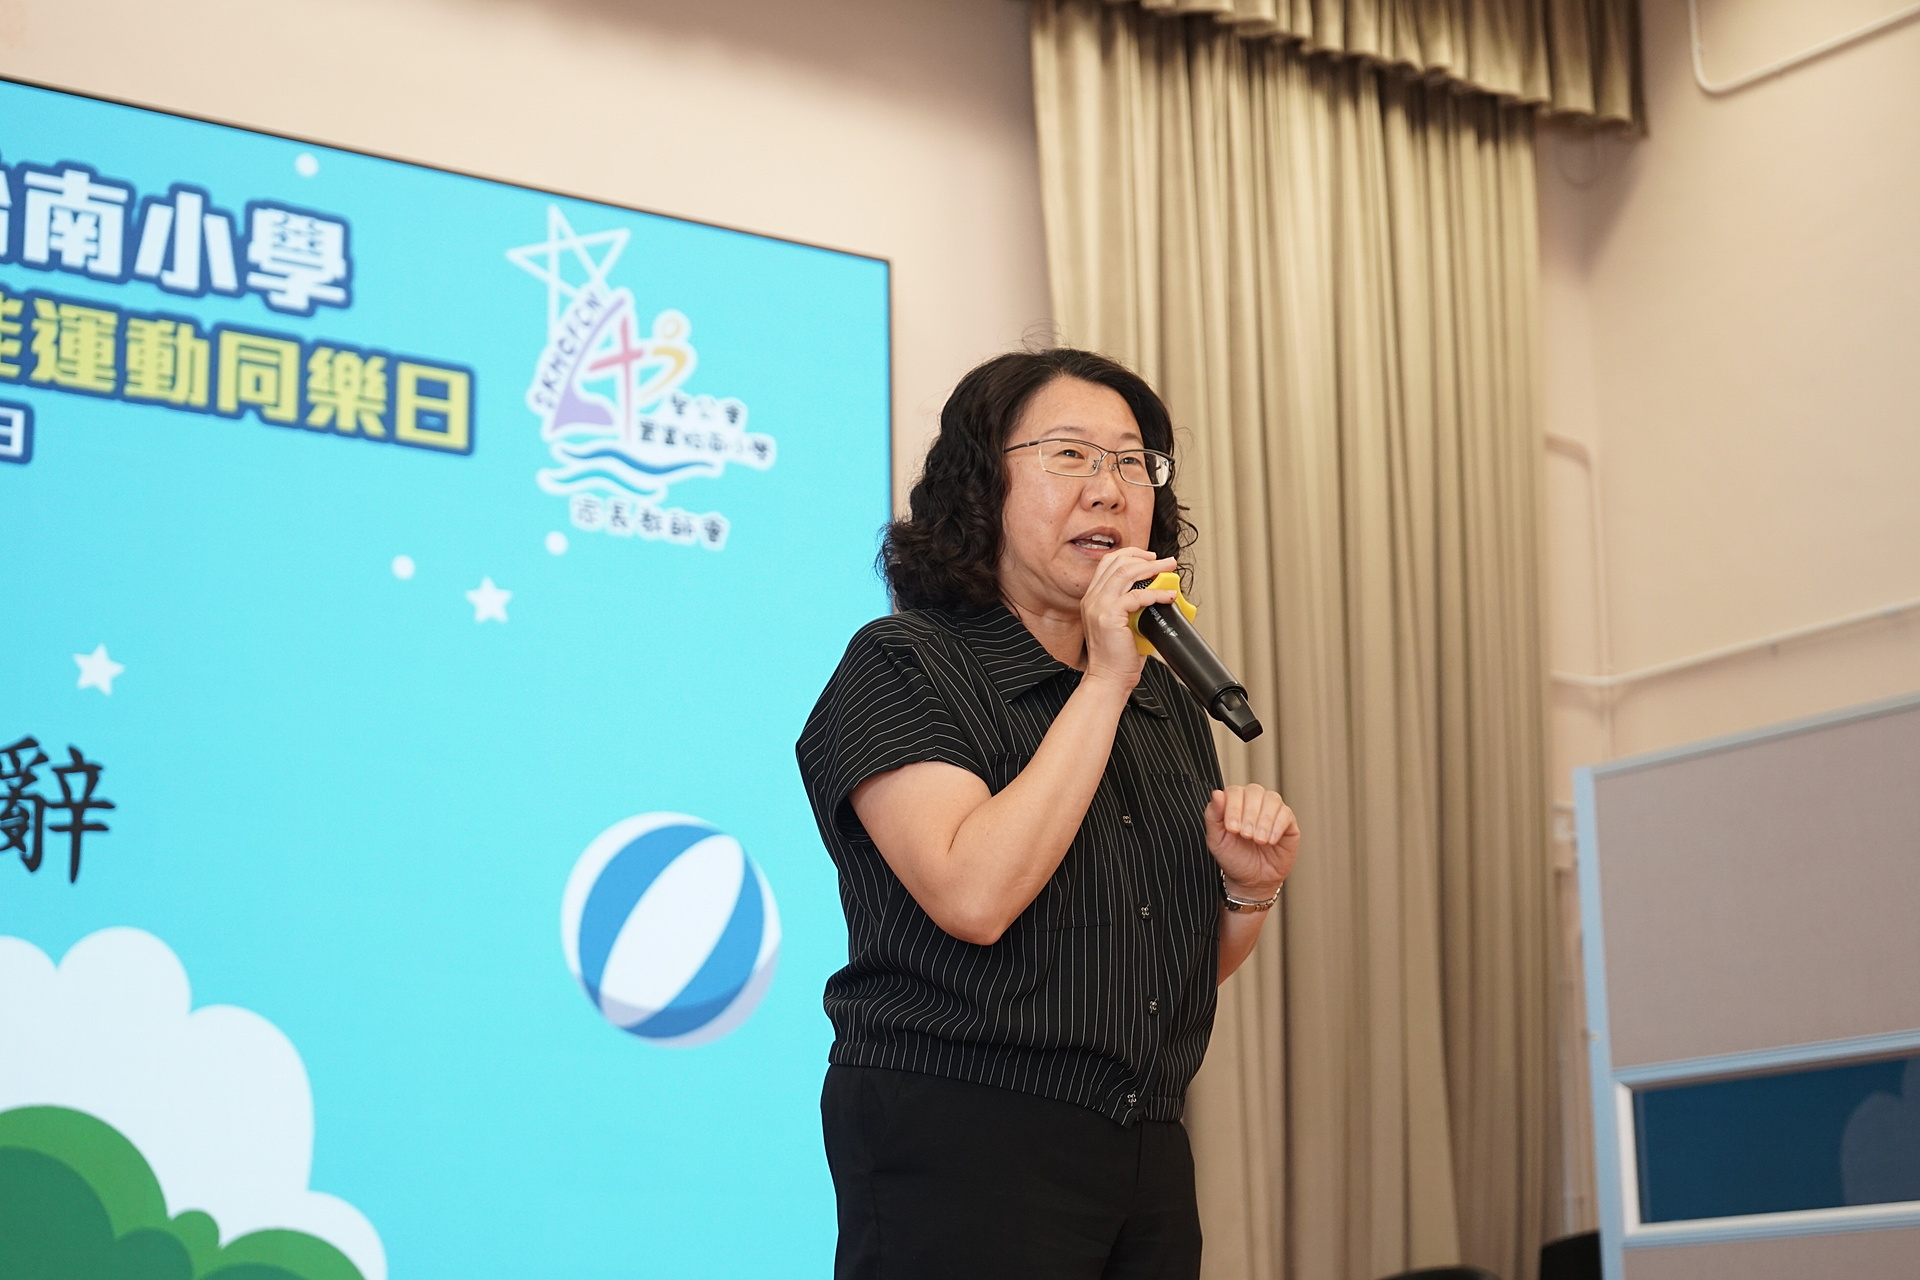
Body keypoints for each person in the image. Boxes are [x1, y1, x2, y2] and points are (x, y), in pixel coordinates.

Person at [795, 348, 1301, 1279]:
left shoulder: (1158, 700)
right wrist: (1106, 679)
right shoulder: (906, 662)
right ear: (980, 487)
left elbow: (1147, 965)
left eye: (1133, 462)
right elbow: (973, 896)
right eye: (1071, 455)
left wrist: (1247, 893)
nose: (1110, 489)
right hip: (964, 1131)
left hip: (1144, 1140)